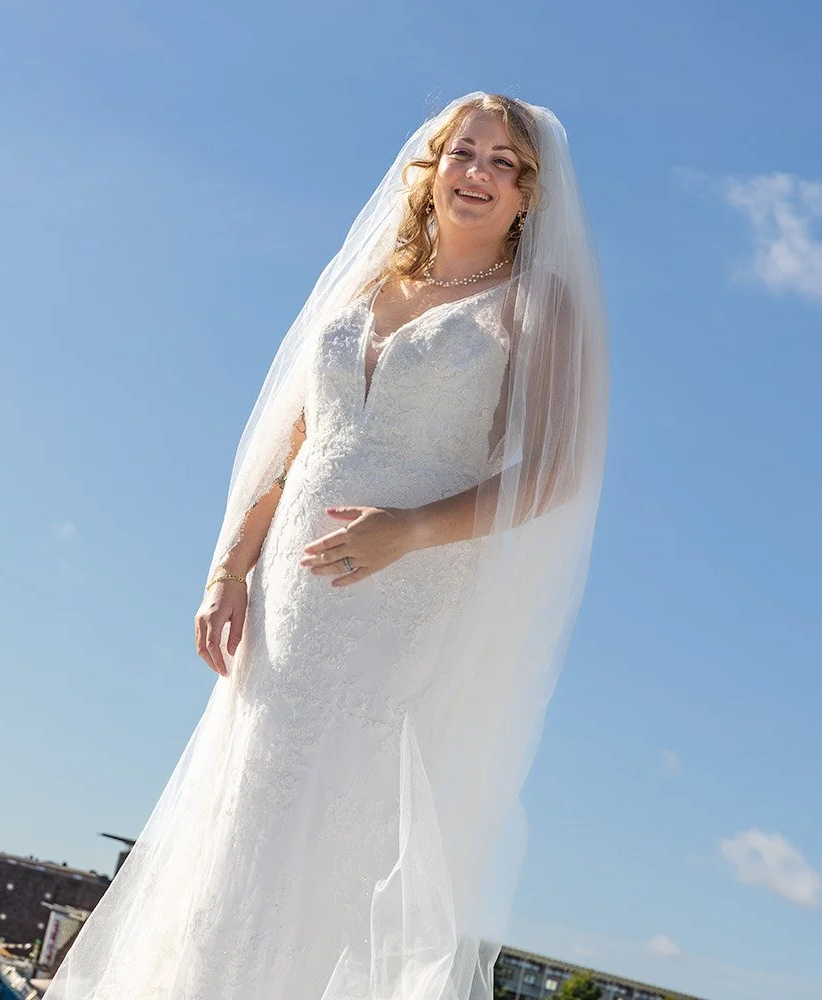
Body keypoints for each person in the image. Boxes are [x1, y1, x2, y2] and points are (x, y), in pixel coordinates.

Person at [47, 92, 609, 1000]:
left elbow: (555, 472)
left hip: (402, 606)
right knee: (234, 827)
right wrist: (226, 571)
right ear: (430, 168)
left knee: (326, 843)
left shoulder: (531, 307)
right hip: (286, 607)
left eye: (504, 163)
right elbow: (295, 446)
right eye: (463, 152)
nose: (478, 173)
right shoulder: (361, 288)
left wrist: (411, 530)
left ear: (528, 194)